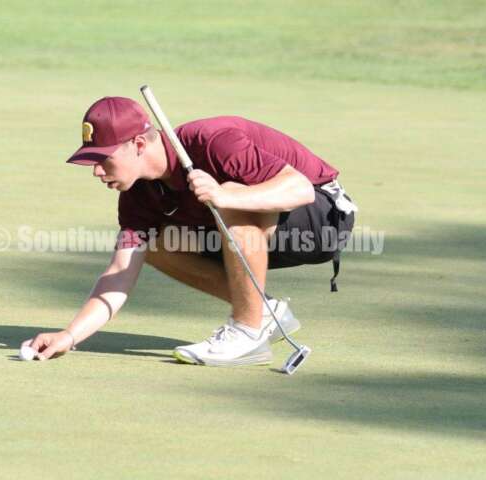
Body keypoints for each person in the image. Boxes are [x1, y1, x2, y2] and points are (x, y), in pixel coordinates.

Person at [25, 96, 356, 366]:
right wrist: (69, 335)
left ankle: (247, 331)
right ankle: (265, 313)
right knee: (153, 243)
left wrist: (226, 194)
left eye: (104, 160)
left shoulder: (212, 142)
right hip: (252, 227)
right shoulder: (137, 196)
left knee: (229, 197)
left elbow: (301, 189)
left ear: (138, 144)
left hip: (323, 219)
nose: (97, 171)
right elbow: (119, 271)